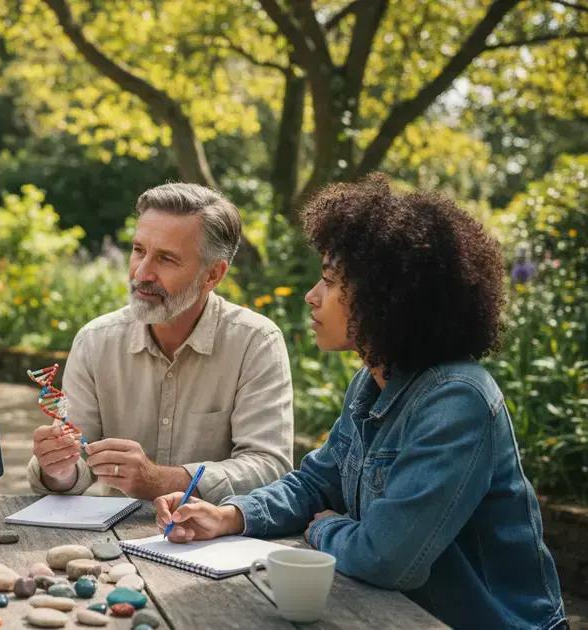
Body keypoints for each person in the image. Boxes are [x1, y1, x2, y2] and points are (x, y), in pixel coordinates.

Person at [154, 175, 566, 629]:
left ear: (388, 298)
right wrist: (229, 515)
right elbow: (315, 483)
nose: (312, 295)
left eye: (329, 282)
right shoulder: (372, 384)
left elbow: (385, 558)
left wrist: (324, 526)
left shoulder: (457, 401)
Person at [28, 182, 294, 502]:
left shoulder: (256, 343)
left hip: (215, 540)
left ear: (212, 275)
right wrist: (58, 470)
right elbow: (78, 464)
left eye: (166, 259)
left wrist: (163, 480)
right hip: (113, 543)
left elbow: (270, 466)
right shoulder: (95, 341)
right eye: (139, 250)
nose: (142, 272)